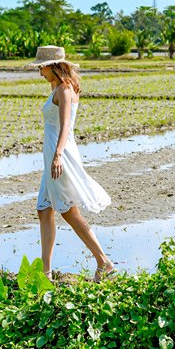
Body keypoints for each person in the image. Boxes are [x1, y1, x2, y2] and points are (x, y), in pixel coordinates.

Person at [25, 45, 115, 281]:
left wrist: (57, 155)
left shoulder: (64, 90)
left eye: (41, 67)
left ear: (52, 66)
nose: (39, 72)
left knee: (69, 212)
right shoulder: (58, 87)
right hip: (54, 156)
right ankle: (45, 272)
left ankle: (103, 261)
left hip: (60, 156)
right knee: (44, 210)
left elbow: (66, 125)